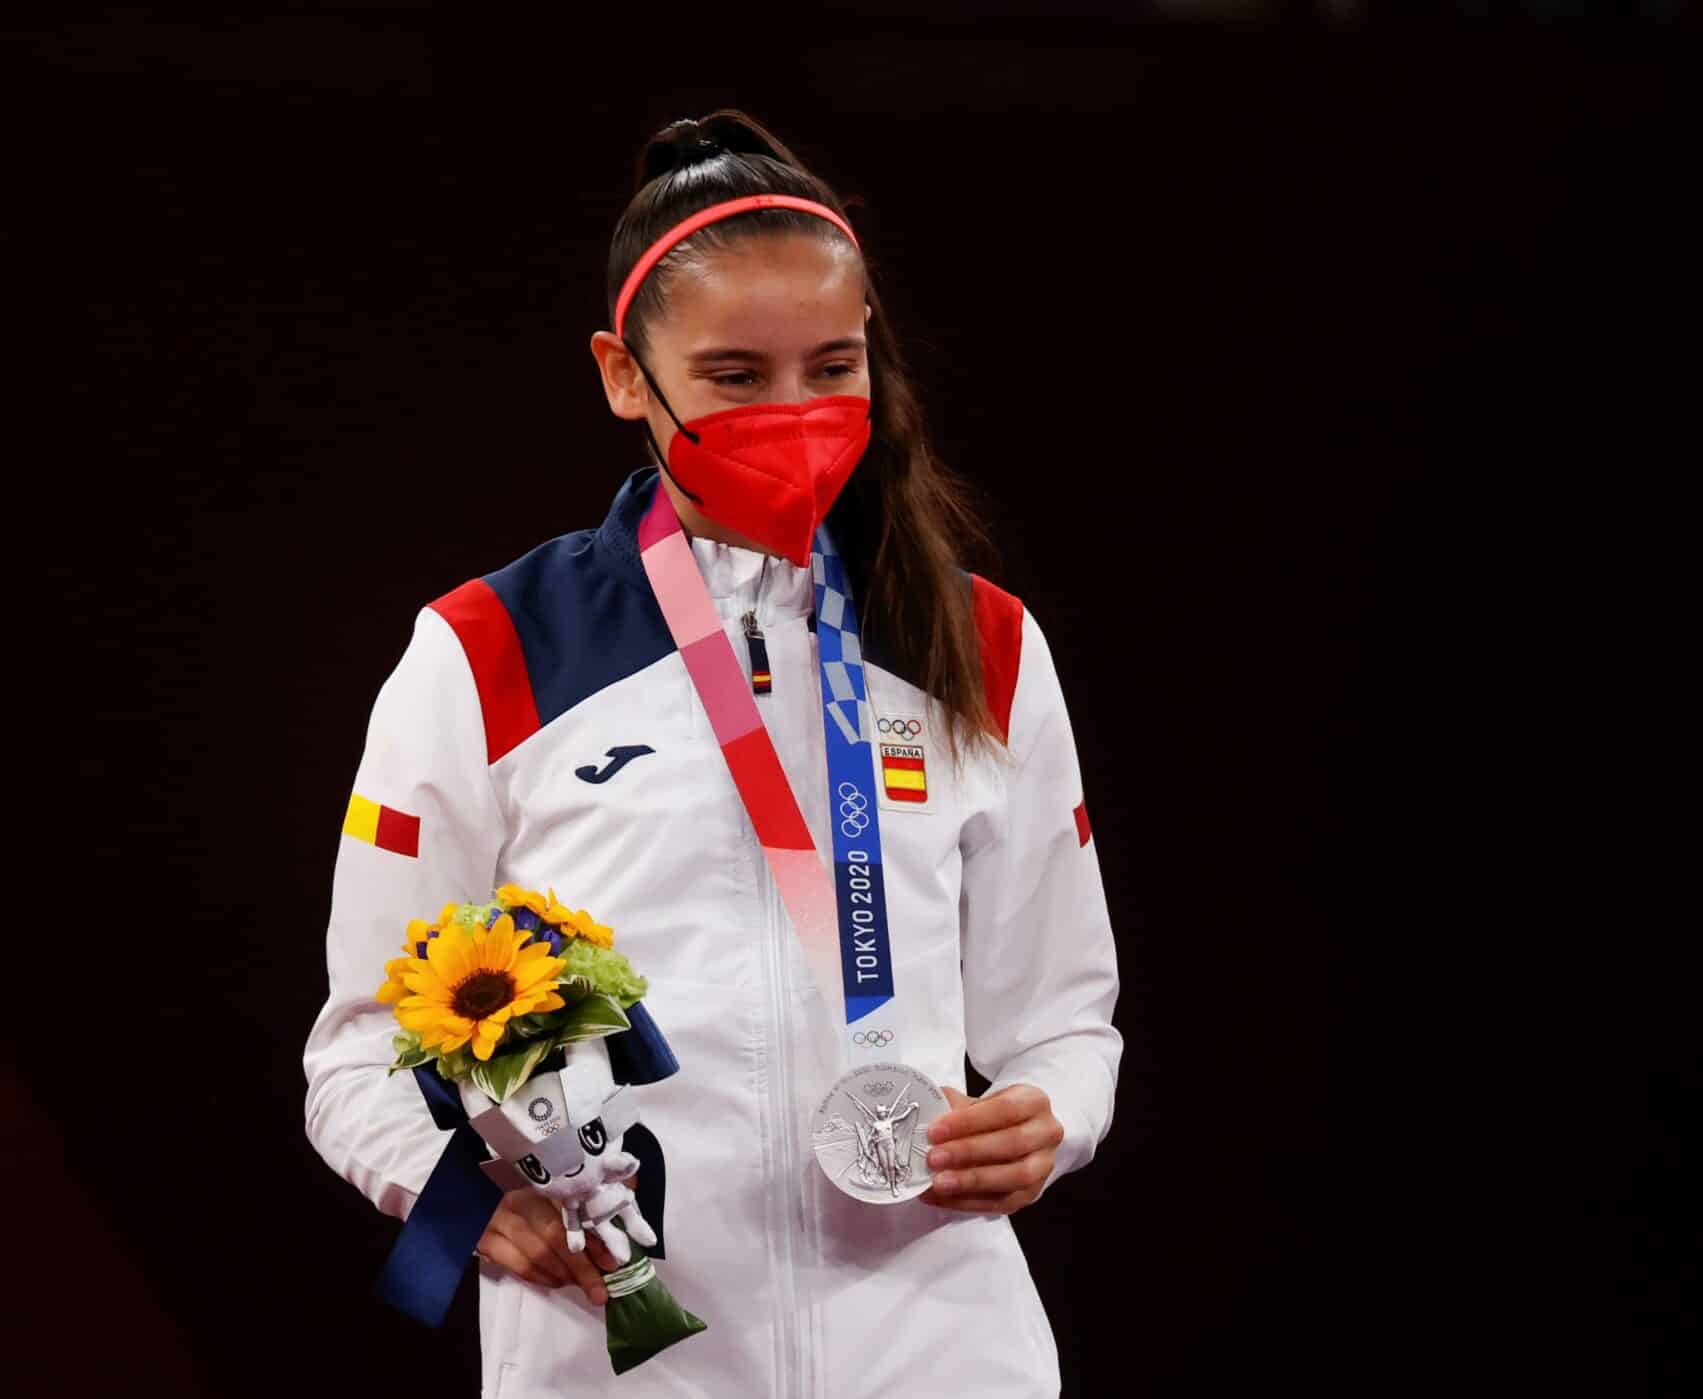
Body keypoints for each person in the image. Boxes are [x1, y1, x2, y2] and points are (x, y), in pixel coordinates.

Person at [302, 108, 1123, 1397]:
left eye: (831, 367)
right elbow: (357, 1052)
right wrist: (459, 1197)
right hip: (626, 1358)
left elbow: (1065, 1020)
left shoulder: (982, 645)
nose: (792, 411)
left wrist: (1054, 1120)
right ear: (627, 376)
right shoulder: (486, 653)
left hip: (943, 1350)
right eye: (736, 376)